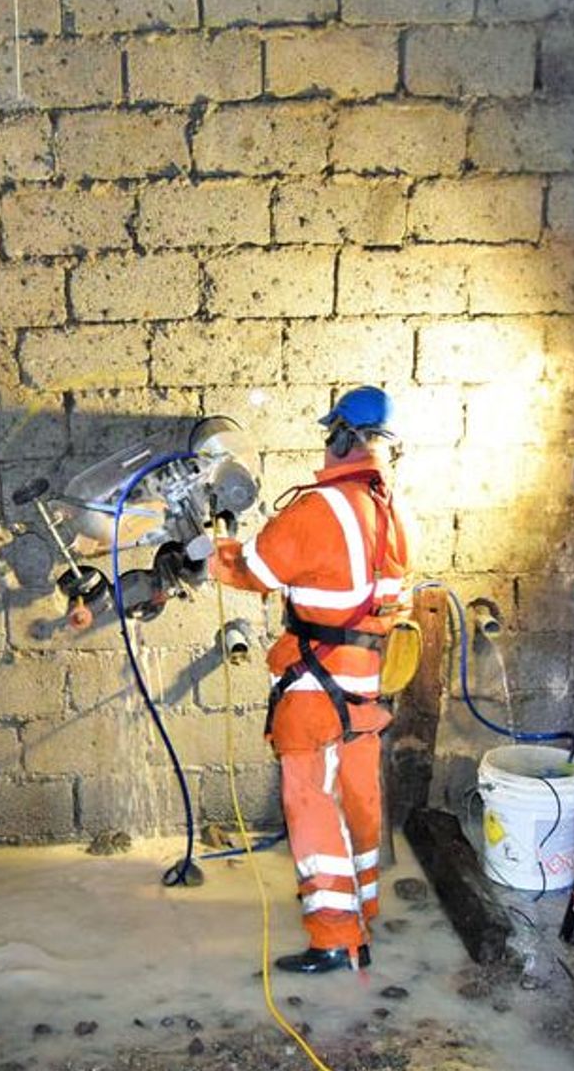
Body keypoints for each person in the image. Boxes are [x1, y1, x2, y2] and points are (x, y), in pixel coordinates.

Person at [207, 386, 413, 974]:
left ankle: (334, 937)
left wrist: (215, 550)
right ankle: (362, 913)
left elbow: (256, 569)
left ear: (345, 437)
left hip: (313, 687)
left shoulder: (318, 511)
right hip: (365, 688)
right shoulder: (394, 517)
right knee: (359, 800)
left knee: (311, 805)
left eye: (332, 433)